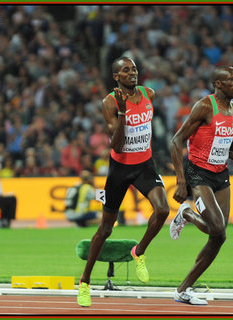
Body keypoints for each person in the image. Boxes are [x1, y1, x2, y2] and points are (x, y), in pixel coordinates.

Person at [169, 66, 233, 305]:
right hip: (198, 173)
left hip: (221, 174)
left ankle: (183, 290)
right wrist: (181, 181)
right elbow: (176, 140)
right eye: (232, 80)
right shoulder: (205, 106)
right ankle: (186, 213)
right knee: (216, 228)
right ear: (219, 84)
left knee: (219, 237)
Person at [77, 57, 170, 307]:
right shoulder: (108, 102)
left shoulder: (148, 93)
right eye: (126, 70)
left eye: (135, 69)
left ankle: (138, 252)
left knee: (162, 209)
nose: (132, 73)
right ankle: (85, 282)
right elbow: (117, 144)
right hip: (120, 169)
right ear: (116, 76)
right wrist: (122, 111)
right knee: (106, 228)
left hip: (145, 164)